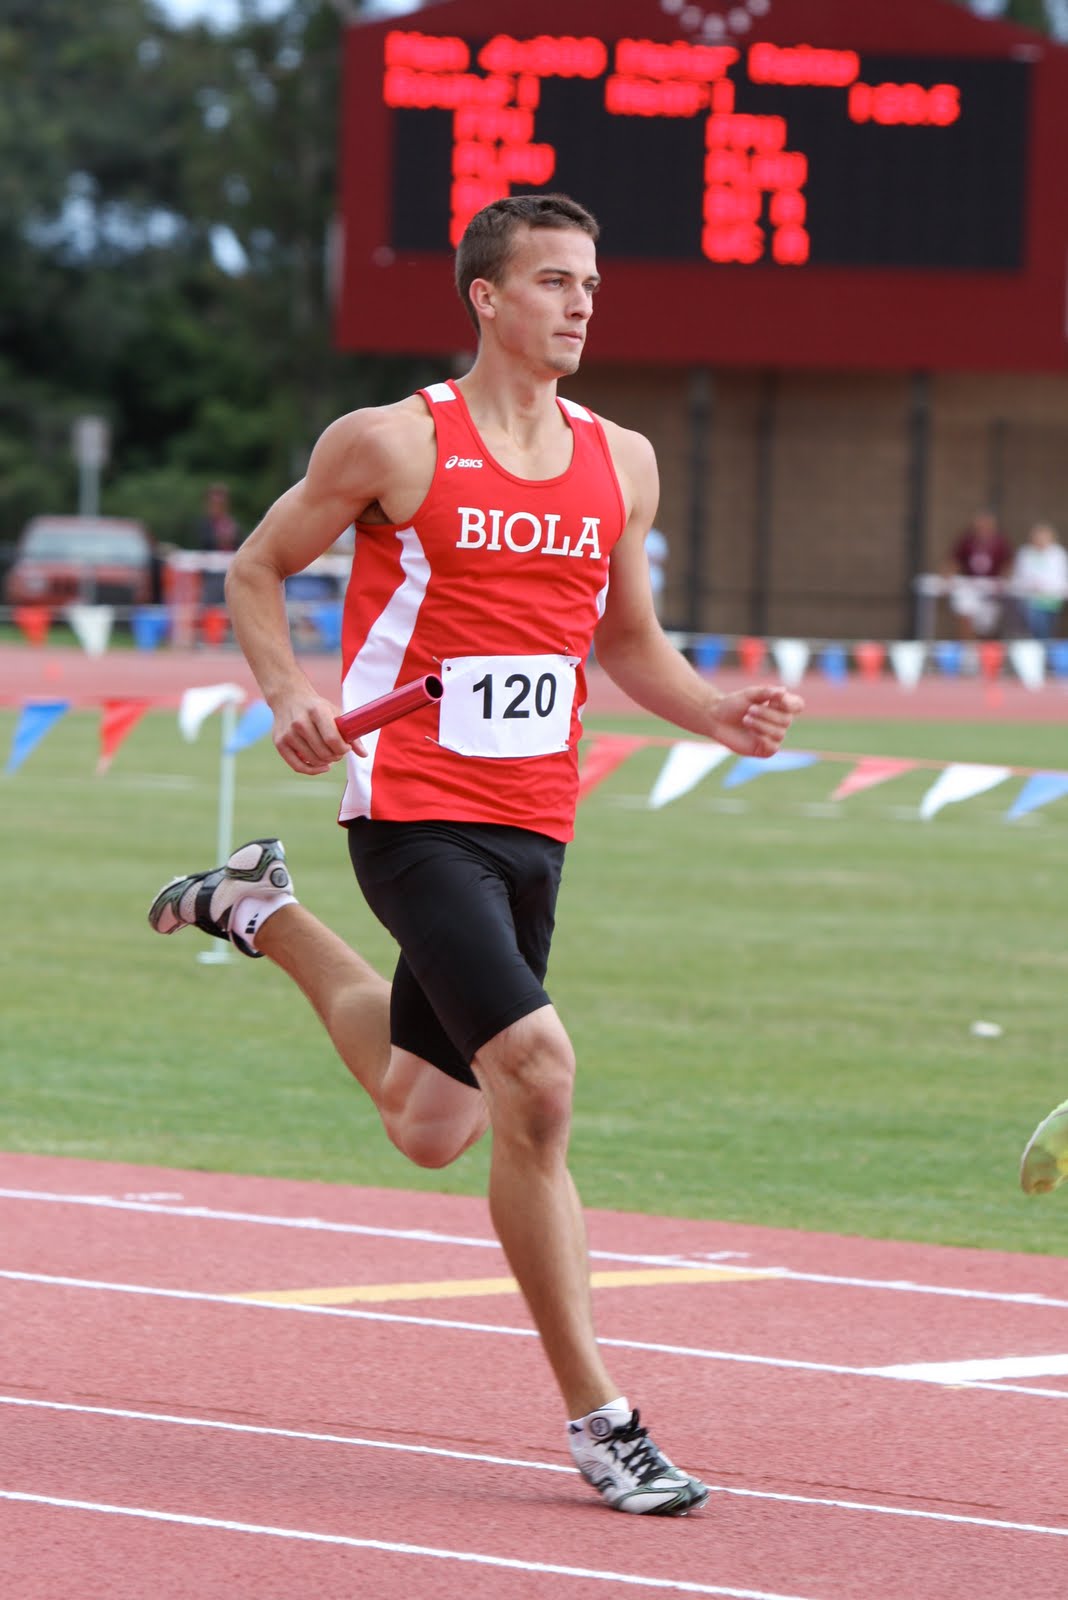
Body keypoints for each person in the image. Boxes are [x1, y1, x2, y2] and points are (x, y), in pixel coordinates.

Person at [148, 194, 803, 1515]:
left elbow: (625, 643)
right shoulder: (392, 442)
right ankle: (602, 1420)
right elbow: (258, 571)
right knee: (538, 1078)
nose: (579, 304)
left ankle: (255, 908)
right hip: (411, 805)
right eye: (554, 280)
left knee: (429, 1121)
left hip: (536, 817)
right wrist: (289, 698)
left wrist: (713, 709)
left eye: (591, 284)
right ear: (487, 298)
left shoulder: (621, 460)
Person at [942, 508, 1014, 640]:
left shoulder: (1000, 542)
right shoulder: (967, 541)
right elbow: (954, 561)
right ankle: (969, 650)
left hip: (991, 590)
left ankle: (987, 655)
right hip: (970, 587)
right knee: (965, 614)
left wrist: (1004, 581)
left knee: (987, 627)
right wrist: (947, 579)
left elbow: (1008, 564)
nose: (982, 528)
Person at [1010, 521, 1068, 641]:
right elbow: (1018, 578)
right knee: (1037, 628)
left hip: (1052, 600)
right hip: (1031, 601)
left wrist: (1047, 586)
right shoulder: (1025, 553)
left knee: (1048, 630)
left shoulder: (1058, 554)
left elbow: (1062, 579)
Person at [193, 483, 241, 605]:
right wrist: (219, 539)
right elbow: (203, 544)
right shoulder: (204, 525)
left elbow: (241, 545)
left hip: (231, 573)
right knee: (209, 609)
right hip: (211, 575)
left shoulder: (232, 524)